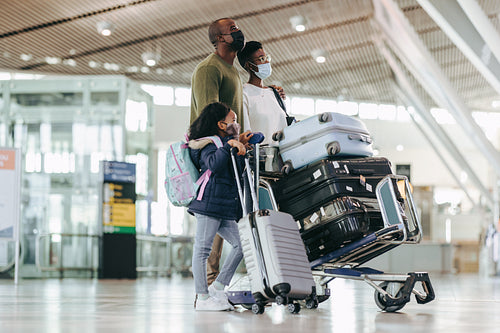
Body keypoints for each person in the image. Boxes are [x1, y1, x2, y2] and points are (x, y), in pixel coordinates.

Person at [190, 17, 250, 289]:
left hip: (231, 152)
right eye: (232, 30)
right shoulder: (208, 69)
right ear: (218, 39)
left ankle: (216, 288)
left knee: (229, 226)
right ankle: (207, 290)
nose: (237, 33)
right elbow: (209, 117)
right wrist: (228, 144)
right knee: (211, 230)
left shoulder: (232, 70)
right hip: (214, 155)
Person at [187, 102, 249, 311]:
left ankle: (218, 287)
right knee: (202, 250)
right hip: (209, 203)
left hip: (223, 205)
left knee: (242, 245)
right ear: (221, 124)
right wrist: (229, 146)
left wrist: (239, 148)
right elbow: (213, 164)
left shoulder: (224, 142)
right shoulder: (209, 143)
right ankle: (202, 298)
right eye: (233, 120)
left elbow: (233, 171)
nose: (236, 124)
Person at [237, 41, 288, 145]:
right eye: (261, 59)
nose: (267, 63)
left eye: (266, 58)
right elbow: (247, 135)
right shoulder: (244, 94)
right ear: (249, 65)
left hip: (284, 155)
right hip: (261, 156)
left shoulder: (274, 93)